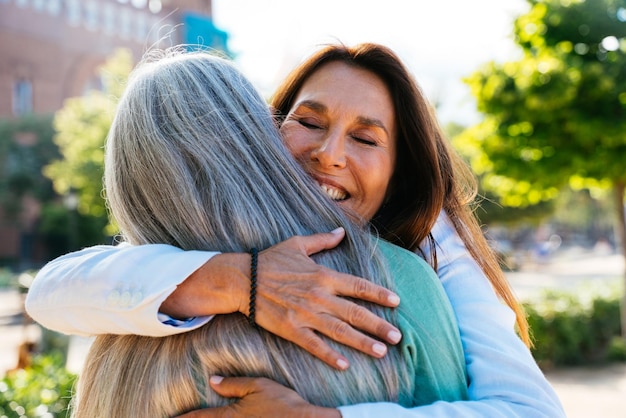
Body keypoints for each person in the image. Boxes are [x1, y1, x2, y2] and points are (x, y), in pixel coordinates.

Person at [26, 43, 566, 417]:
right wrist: (245, 282)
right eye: (308, 123)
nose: (328, 156)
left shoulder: (428, 265)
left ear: (400, 171)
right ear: (263, 130)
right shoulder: (174, 268)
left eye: (367, 138)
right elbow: (50, 291)